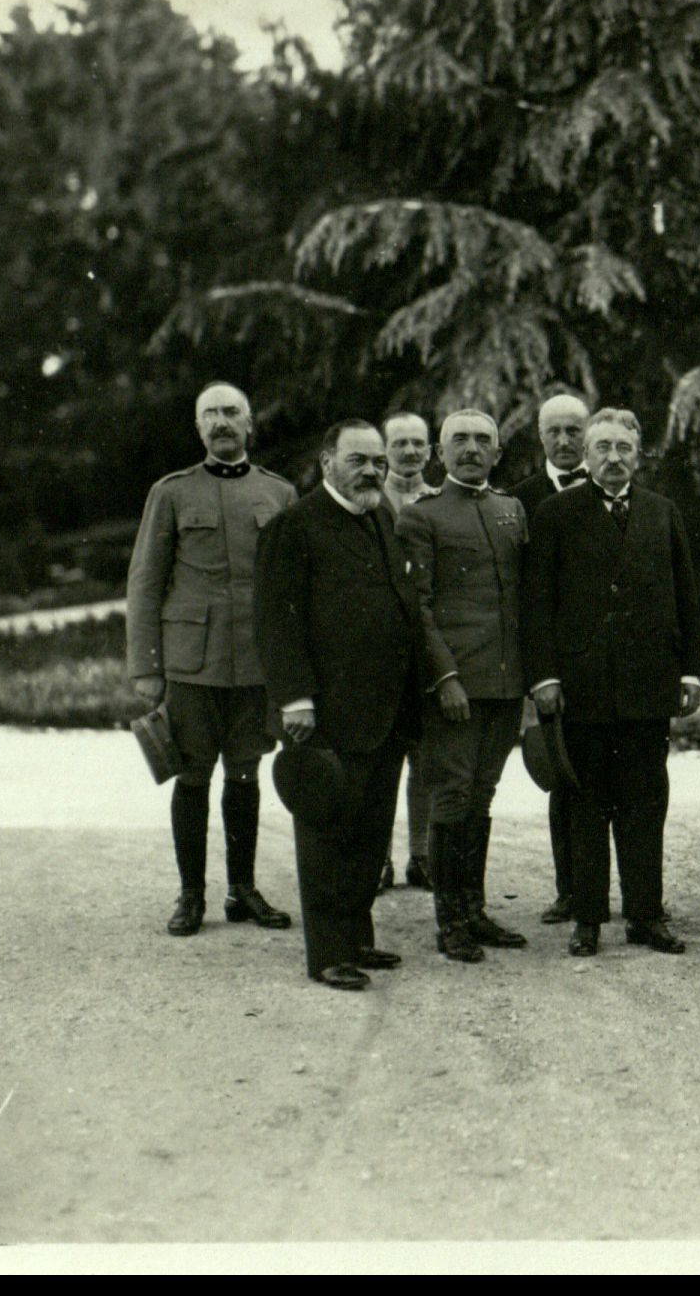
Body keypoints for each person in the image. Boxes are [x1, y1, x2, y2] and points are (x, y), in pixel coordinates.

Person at [522, 409, 700, 958]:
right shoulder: (557, 514)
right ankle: (587, 919)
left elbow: (685, 596)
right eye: (602, 447)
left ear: (638, 455)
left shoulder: (661, 512)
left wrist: (691, 670)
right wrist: (544, 676)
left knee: (646, 804)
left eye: (624, 448)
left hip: (648, 688)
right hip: (583, 689)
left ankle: (646, 916)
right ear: (586, 454)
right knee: (586, 806)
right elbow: (537, 603)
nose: (613, 458)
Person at [254, 419, 423, 990]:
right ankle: (328, 954)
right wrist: (295, 700)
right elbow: (277, 623)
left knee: (370, 831)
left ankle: (357, 938)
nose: (372, 471)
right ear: (327, 462)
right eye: (358, 460)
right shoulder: (293, 527)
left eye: (378, 461)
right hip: (324, 714)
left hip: (384, 710)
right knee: (327, 831)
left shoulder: (380, 517)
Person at [126, 381, 297, 938]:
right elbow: (145, 583)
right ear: (198, 427)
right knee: (192, 776)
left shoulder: (279, 493)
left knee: (245, 774)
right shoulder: (172, 493)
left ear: (249, 423)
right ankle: (191, 894)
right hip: (191, 663)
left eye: (231, 412)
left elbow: (292, 586)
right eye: (211, 414)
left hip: (255, 662)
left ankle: (241, 889)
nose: (222, 422)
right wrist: (146, 666)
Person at [396, 409, 531, 964]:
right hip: (455, 685)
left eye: (482, 440)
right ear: (440, 453)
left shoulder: (510, 510)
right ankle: (450, 920)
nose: (471, 449)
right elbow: (418, 608)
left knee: (483, 794)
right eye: (459, 440)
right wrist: (444, 677)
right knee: (451, 796)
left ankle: (475, 910)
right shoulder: (420, 516)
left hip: (506, 681)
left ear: (498, 453)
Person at [508, 392, 592, 924]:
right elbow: (523, 596)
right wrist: (540, 673)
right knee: (564, 777)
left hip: (609, 661)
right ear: (539, 437)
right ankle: (572, 891)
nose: (564, 441)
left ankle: (636, 894)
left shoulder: (616, 490)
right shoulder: (520, 501)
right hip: (556, 667)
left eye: (573, 431)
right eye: (554, 432)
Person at [379, 410, 438, 894]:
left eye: (418, 443)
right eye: (400, 443)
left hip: (426, 641)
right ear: (385, 450)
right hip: (380, 641)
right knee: (382, 755)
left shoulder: (441, 499)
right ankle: (377, 857)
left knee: (426, 755)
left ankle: (421, 854)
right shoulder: (369, 498)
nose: (410, 452)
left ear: (431, 449)